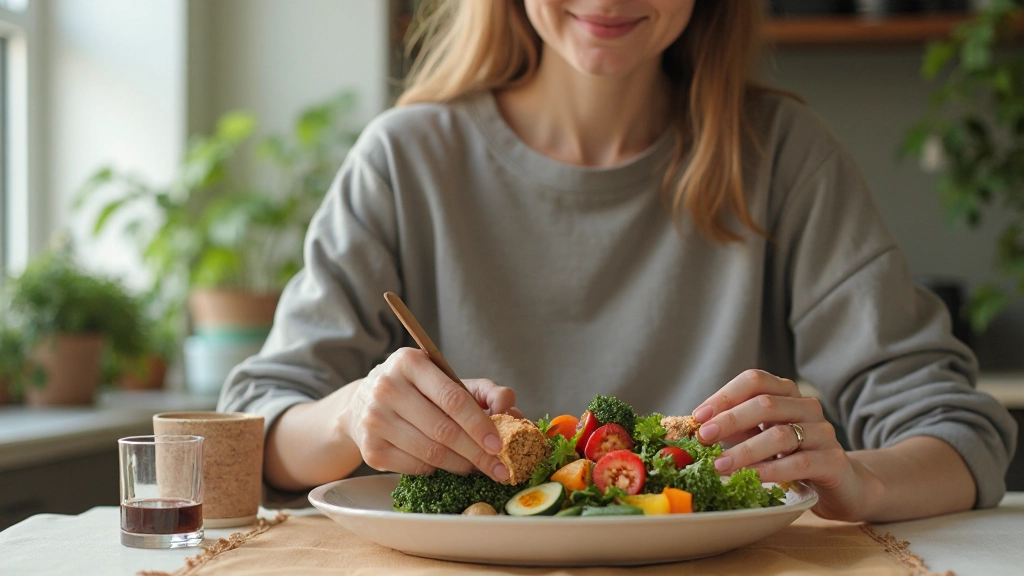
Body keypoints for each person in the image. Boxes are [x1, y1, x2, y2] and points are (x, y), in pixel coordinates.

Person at [218, 1, 1016, 522]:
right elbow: (256, 429)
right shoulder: (404, 159)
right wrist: (353, 415)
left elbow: (959, 433)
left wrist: (864, 480)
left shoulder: (781, 159)